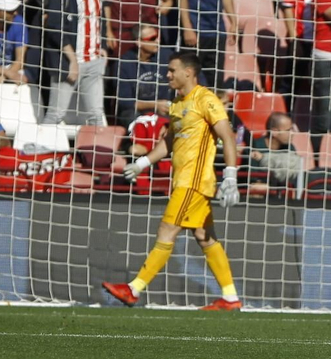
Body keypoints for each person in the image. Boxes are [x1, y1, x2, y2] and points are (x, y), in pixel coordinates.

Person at [104, 51, 243, 311]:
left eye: (171, 70)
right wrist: (143, 163)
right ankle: (230, 297)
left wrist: (231, 175)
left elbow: (228, 135)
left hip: (194, 181)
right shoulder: (177, 103)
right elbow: (168, 142)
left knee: (167, 231)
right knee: (204, 237)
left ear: (188, 72)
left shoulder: (206, 99)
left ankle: (133, 289)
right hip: (182, 180)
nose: (167, 75)